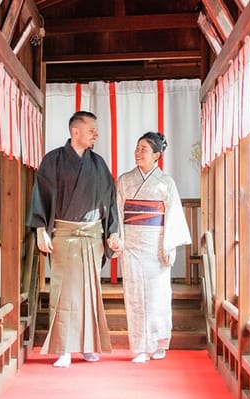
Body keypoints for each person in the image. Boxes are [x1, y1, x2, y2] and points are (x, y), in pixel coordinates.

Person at [27, 111, 122, 368]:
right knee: (64, 293)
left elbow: (110, 201)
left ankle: (90, 345)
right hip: (64, 234)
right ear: (75, 131)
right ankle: (64, 348)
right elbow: (41, 196)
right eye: (92, 130)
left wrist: (113, 232)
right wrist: (39, 230)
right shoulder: (53, 161)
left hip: (92, 236)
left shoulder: (99, 164)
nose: (96, 134)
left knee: (91, 292)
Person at [116, 131, 191, 363]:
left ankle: (159, 343)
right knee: (135, 294)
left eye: (144, 150)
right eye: (137, 148)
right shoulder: (125, 180)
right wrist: (118, 239)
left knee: (158, 296)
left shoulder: (166, 183)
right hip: (132, 244)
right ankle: (139, 346)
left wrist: (169, 245)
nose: (138, 153)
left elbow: (173, 216)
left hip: (156, 244)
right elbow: (118, 212)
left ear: (157, 155)